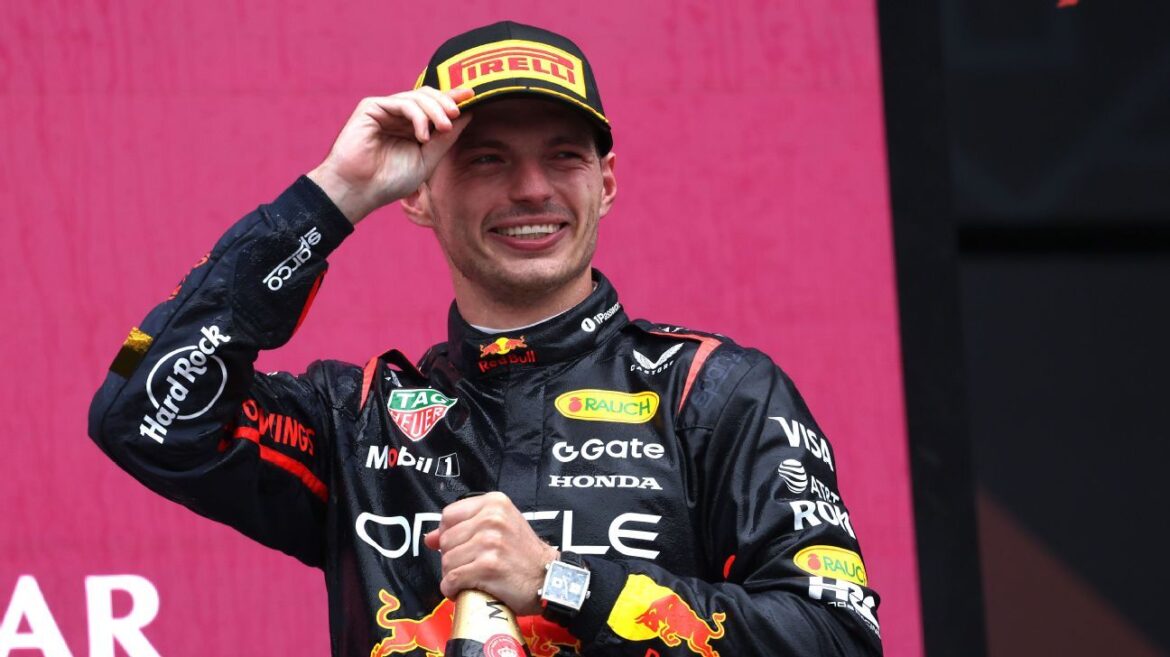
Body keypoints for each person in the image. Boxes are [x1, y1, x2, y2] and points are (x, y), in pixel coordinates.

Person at [89, 20, 882, 657]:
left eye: (563, 156)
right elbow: (135, 402)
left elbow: (838, 636)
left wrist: (565, 583)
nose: (531, 188)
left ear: (606, 183)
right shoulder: (357, 421)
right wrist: (332, 197)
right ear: (418, 194)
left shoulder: (714, 392)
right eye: (486, 159)